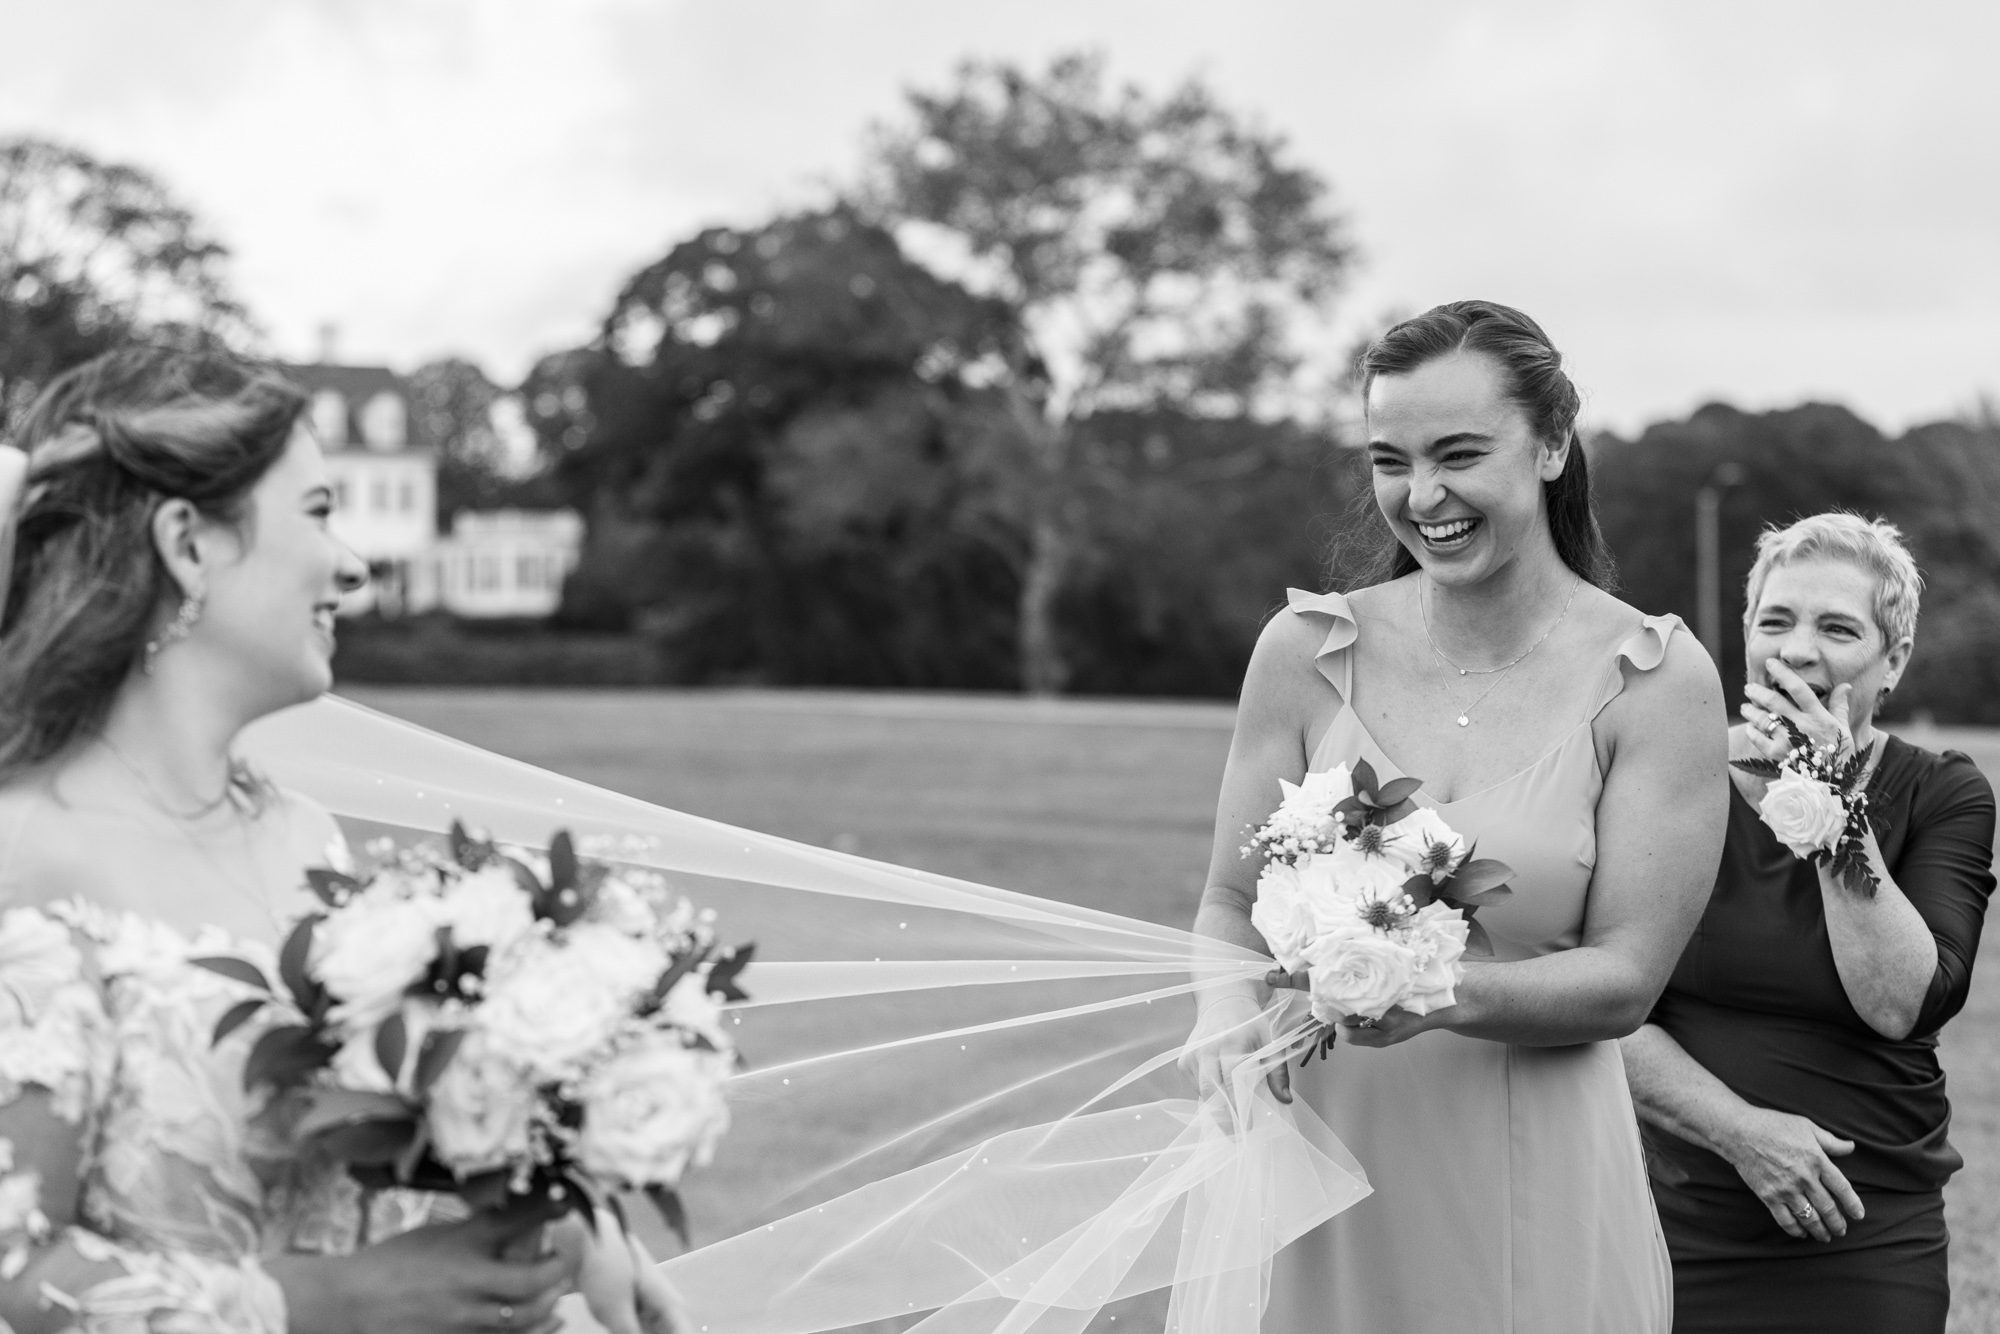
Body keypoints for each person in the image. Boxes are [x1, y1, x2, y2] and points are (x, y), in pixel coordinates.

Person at [0, 346, 672, 1334]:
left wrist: (549, 1219)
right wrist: (306, 1304)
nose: (353, 565)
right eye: (317, 512)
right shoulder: (23, 855)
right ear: (188, 543)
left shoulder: (302, 834)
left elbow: (351, 1166)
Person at [1182, 299, 1730, 1332]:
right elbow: (1224, 900)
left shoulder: (1654, 679)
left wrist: (1425, 990)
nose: (1420, 494)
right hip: (1322, 1167)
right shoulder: (1302, 653)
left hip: (1535, 1174)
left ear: (1552, 444)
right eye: (1389, 459)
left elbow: (1623, 976)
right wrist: (1219, 1010)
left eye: (1458, 453)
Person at [1621, 513, 1995, 1334]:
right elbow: (1604, 1010)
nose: (1795, 650)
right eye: (1775, 622)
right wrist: (1742, 1134)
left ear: (1891, 661)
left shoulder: (1944, 794)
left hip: (1867, 1233)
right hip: (1677, 1224)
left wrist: (1827, 805)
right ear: (1746, 636)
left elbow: (1898, 1001)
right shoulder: (1668, 779)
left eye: (1836, 628)